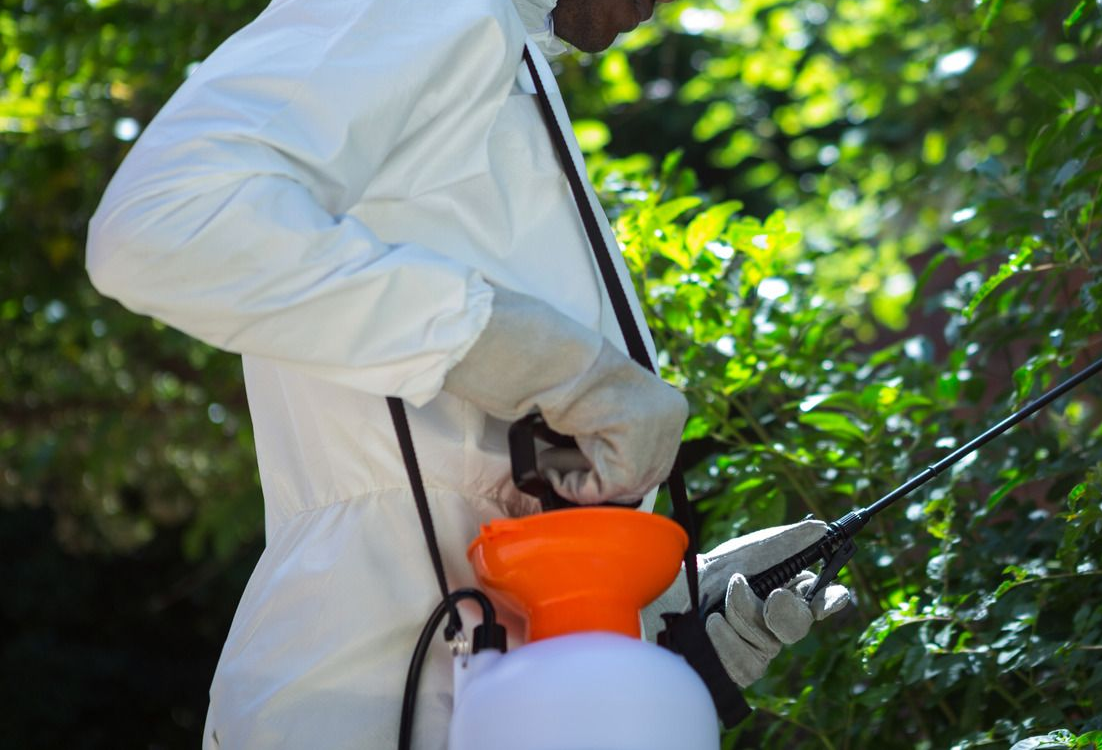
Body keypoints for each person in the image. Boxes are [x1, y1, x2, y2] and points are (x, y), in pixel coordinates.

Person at [85, 0, 849, 746]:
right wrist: (546, 363)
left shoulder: (502, 51)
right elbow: (166, 223)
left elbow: (480, 487)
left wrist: (655, 619)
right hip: (370, 698)